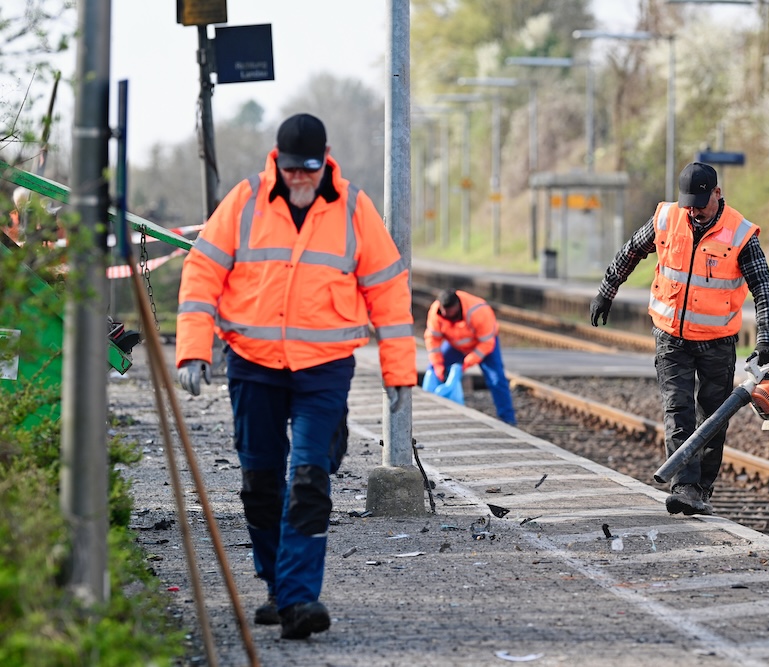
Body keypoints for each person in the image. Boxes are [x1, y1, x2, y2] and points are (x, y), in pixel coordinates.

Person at [175, 113, 416, 640]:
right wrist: (193, 350)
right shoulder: (244, 202)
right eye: (290, 169)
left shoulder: (353, 208)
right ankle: (278, 588)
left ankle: (300, 597)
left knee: (309, 481)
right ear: (276, 161)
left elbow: (389, 294)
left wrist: (400, 372)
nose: (299, 179)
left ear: (325, 159)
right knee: (260, 484)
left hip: (323, 370)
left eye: (308, 169)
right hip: (253, 366)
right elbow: (202, 273)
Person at [590, 162, 769, 516]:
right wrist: (607, 290)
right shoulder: (667, 217)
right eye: (688, 204)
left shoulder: (740, 234)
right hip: (671, 336)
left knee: (713, 418)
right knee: (678, 411)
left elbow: (764, 289)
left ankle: (701, 488)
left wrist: (767, 339)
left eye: (700, 204)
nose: (693, 211)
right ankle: (684, 487)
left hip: (717, 342)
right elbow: (632, 250)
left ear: (717, 194)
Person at [423, 289, 516, 425]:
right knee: (434, 370)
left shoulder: (479, 311)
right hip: (455, 344)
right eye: (444, 311)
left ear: (457, 306)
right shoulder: (436, 311)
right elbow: (432, 339)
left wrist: (467, 363)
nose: (446, 315)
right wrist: (438, 364)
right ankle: (431, 412)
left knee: (496, 379)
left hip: (482, 345)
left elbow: (487, 343)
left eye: (449, 312)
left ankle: (508, 420)